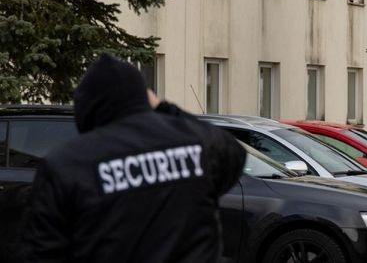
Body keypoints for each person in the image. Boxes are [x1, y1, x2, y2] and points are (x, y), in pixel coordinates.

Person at [21, 54, 246, 262]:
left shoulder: (66, 164)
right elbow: (233, 152)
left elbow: (43, 253)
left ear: (87, 110)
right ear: (144, 98)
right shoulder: (197, 142)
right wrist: (162, 107)